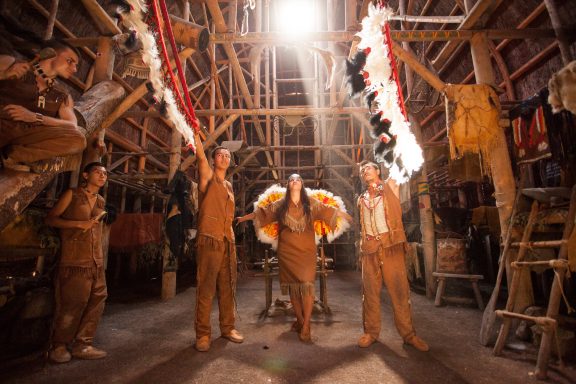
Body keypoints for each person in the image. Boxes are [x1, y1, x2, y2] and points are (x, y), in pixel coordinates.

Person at [237, 174, 352, 342]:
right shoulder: (280, 205)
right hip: (286, 252)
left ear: (302, 184)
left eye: (298, 179)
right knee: (293, 288)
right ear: (288, 185)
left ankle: (306, 325)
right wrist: (244, 218)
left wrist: (347, 216)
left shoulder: (311, 203)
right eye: (291, 180)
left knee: (307, 286)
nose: (295, 181)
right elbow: (262, 213)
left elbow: (329, 211)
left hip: (306, 252)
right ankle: (300, 321)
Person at [356, 160, 429, 351]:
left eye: (369, 168)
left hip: (391, 246)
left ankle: (409, 335)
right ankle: (371, 332)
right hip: (369, 249)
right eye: (362, 170)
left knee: (399, 290)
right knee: (370, 293)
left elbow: (400, 166)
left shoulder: (390, 185)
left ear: (378, 170)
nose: (365, 171)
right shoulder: (361, 198)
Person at [45, 162, 109, 363]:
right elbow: (51, 219)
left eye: (105, 174)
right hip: (74, 260)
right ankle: (59, 346)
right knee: (73, 303)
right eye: (97, 172)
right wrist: (79, 224)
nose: (102, 176)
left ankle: (83, 344)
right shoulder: (72, 195)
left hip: (95, 261)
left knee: (96, 301)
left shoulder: (100, 201)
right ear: (85, 175)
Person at [0, 41, 86, 172]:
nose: (74, 69)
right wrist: (4, 75)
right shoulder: (11, 63)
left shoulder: (63, 95)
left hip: (25, 137)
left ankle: (10, 156)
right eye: (70, 61)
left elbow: (72, 125)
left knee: (77, 139)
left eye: (76, 65)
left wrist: (35, 117)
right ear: (51, 54)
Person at [193, 132, 243, 352]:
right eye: (220, 155)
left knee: (227, 286)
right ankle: (203, 334)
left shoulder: (230, 186)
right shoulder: (208, 177)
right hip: (210, 239)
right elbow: (201, 158)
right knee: (206, 288)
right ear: (214, 160)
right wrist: (196, 136)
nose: (224, 158)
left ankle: (228, 327)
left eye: (227, 156)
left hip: (227, 241)